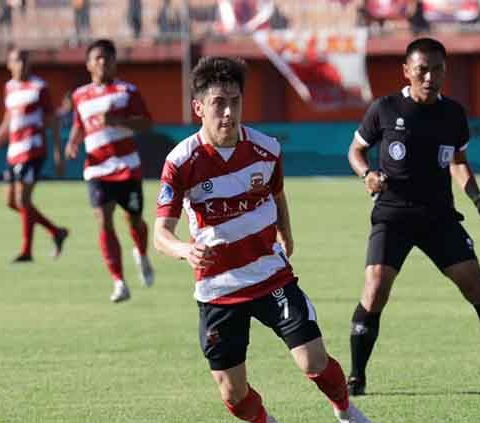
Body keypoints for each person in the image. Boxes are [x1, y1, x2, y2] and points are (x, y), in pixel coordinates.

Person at [153, 56, 371, 423]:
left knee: (313, 359)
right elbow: (160, 233)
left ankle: (347, 411)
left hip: (271, 276)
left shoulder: (266, 150)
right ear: (199, 108)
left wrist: (286, 233)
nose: (227, 112)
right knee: (233, 393)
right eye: (218, 103)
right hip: (218, 290)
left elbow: (277, 195)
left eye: (234, 102)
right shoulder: (180, 162)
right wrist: (185, 250)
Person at [346, 37, 480, 396]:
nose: (429, 77)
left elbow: (458, 162)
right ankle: (356, 378)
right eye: (422, 69)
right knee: (375, 287)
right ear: (407, 71)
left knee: (475, 285)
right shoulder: (385, 108)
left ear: (445, 71)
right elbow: (356, 151)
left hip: (437, 215)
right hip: (392, 213)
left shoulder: (453, 114)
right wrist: (368, 175)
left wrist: (479, 200)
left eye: (437, 69)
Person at [65, 39, 154, 303]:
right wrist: (73, 141)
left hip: (126, 167)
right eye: (97, 58)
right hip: (96, 169)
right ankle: (119, 281)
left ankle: (141, 253)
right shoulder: (79, 95)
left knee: (134, 220)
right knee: (103, 219)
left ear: (115, 62)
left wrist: (119, 120)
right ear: (89, 64)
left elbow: (147, 124)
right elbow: (79, 123)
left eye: (107, 58)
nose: (103, 62)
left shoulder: (127, 91)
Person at [0, 47, 68, 263]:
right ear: (9, 64)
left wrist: (57, 152)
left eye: (25, 61)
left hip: (33, 149)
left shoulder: (39, 87)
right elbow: (7, 122)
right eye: (17, 61)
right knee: (11, 202)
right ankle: (56, 232)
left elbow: (51, 120)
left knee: (23, 199)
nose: (22, 65)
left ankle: (26, 251)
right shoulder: (10, 88)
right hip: (14, 151)